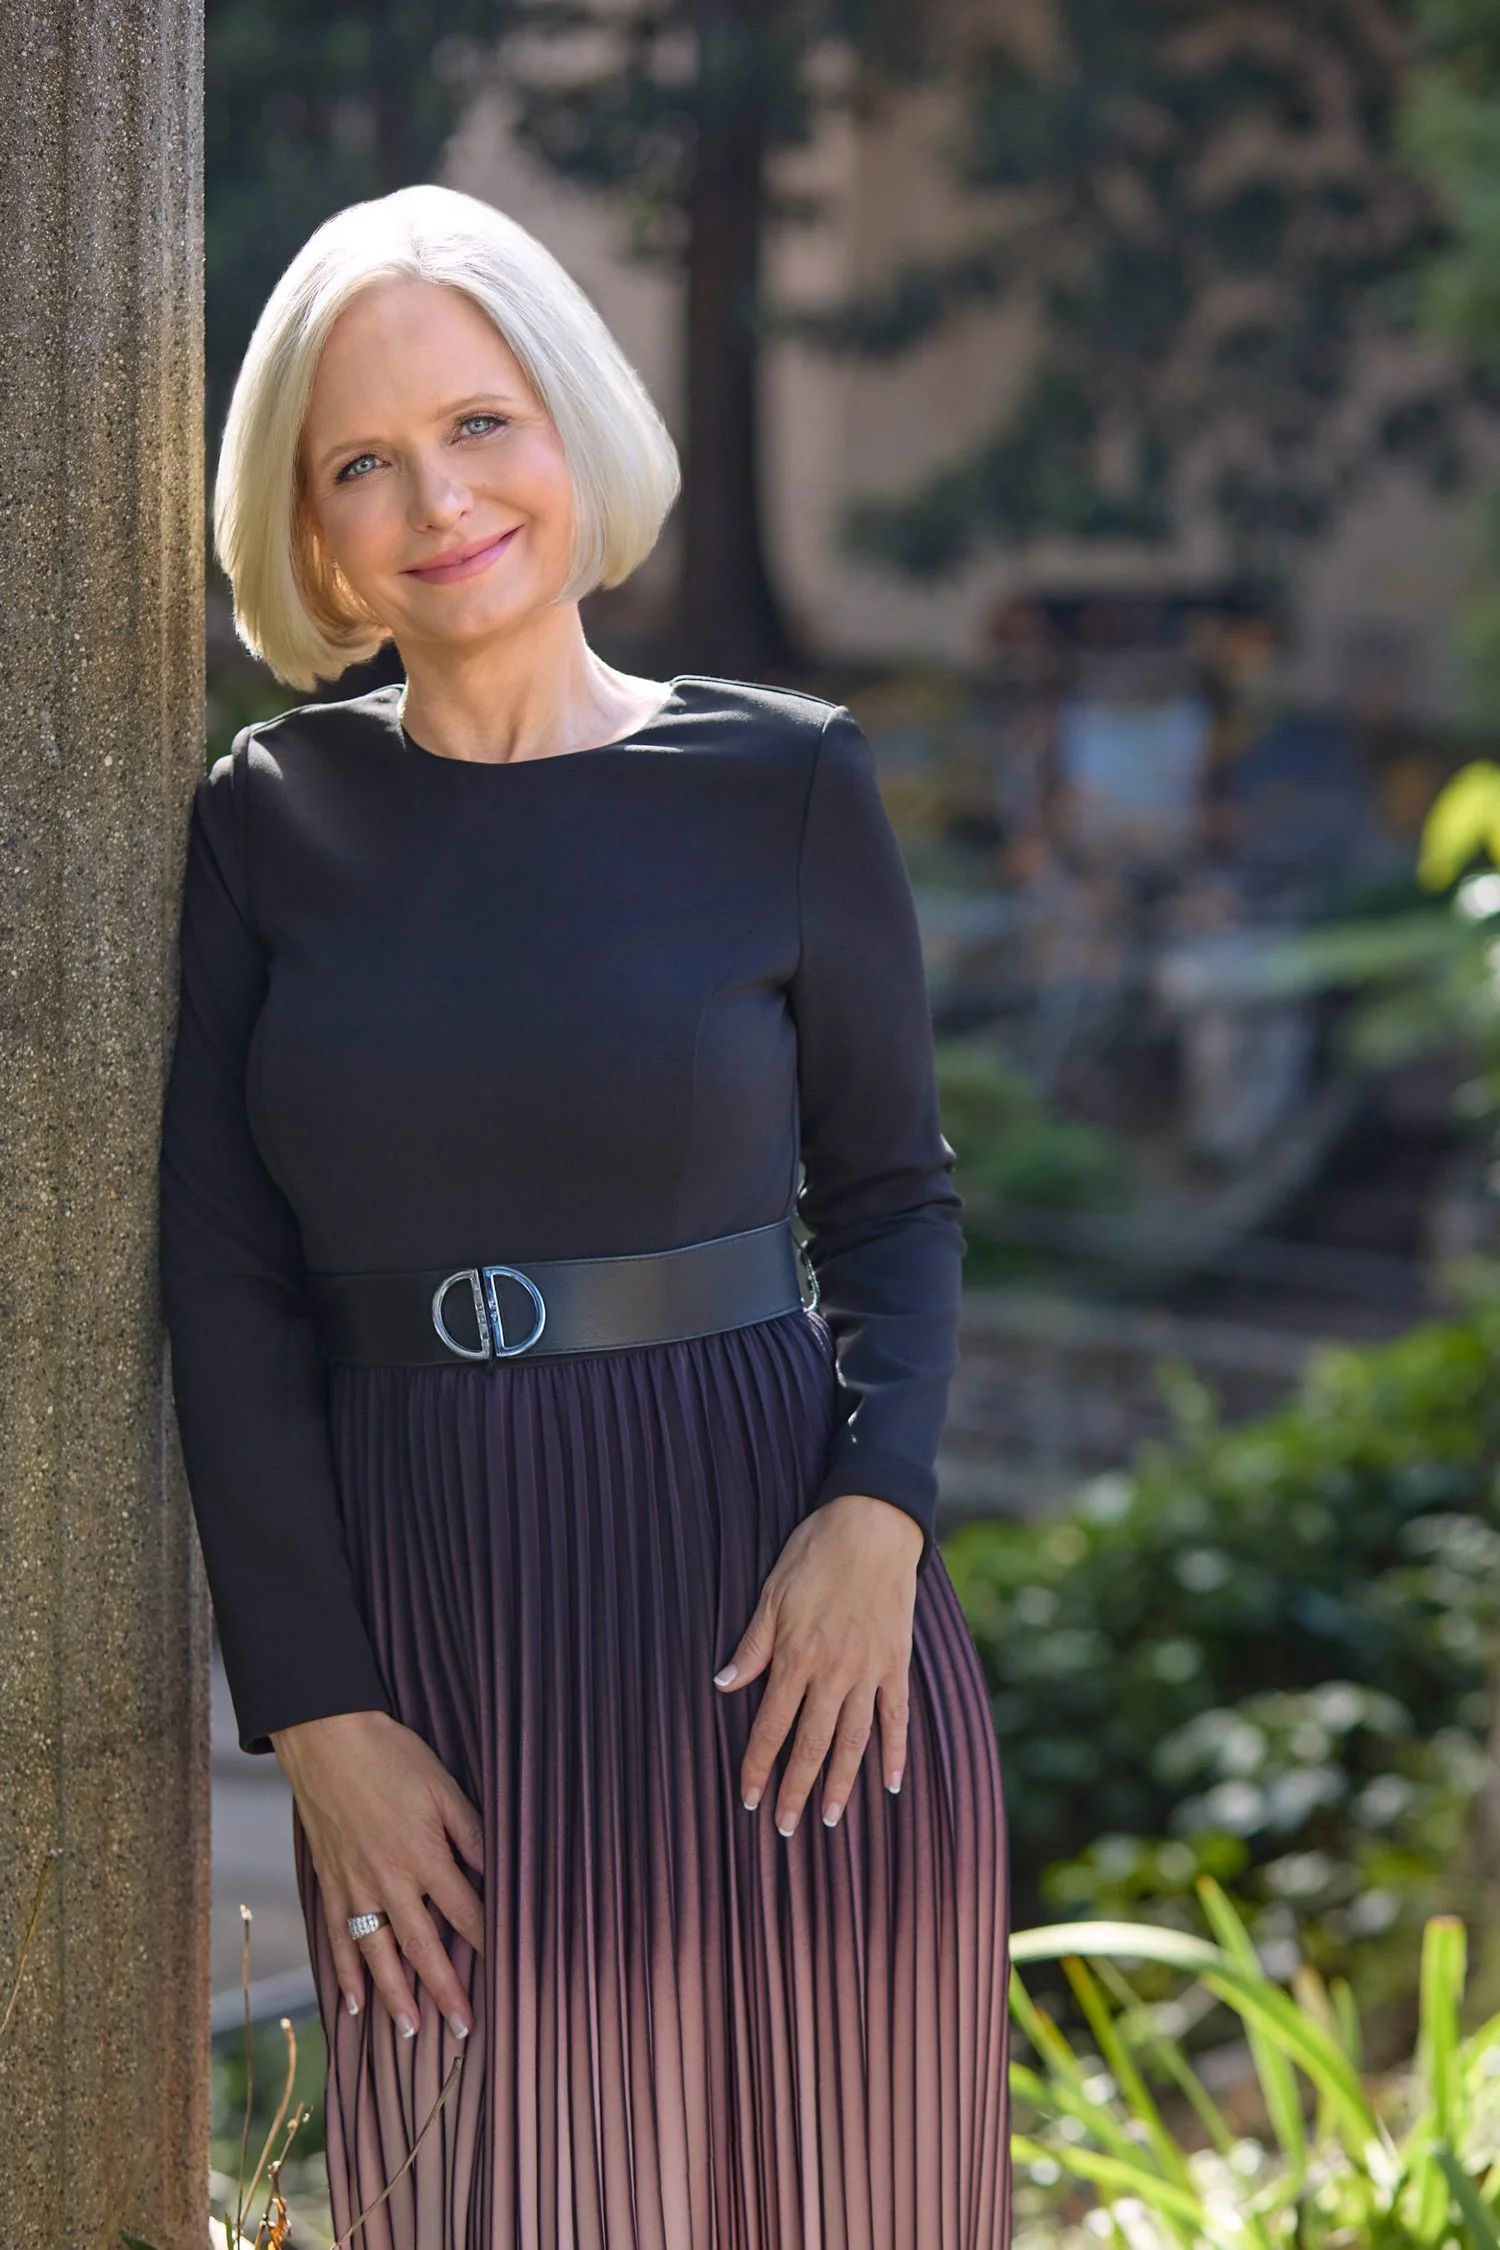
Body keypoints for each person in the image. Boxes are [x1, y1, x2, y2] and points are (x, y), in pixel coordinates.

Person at [159, 181, 1010, 2249]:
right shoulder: (269, 824)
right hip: (436, 1631)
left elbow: (892, 1202)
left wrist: (876, 1513)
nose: (435, 496)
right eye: (361, 461)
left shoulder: (782, 783)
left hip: (787, 1652)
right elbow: (226, 1278)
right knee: (491, 2193)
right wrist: (320, 1720)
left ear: (571, 432)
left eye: (479, 423)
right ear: (309, 529)